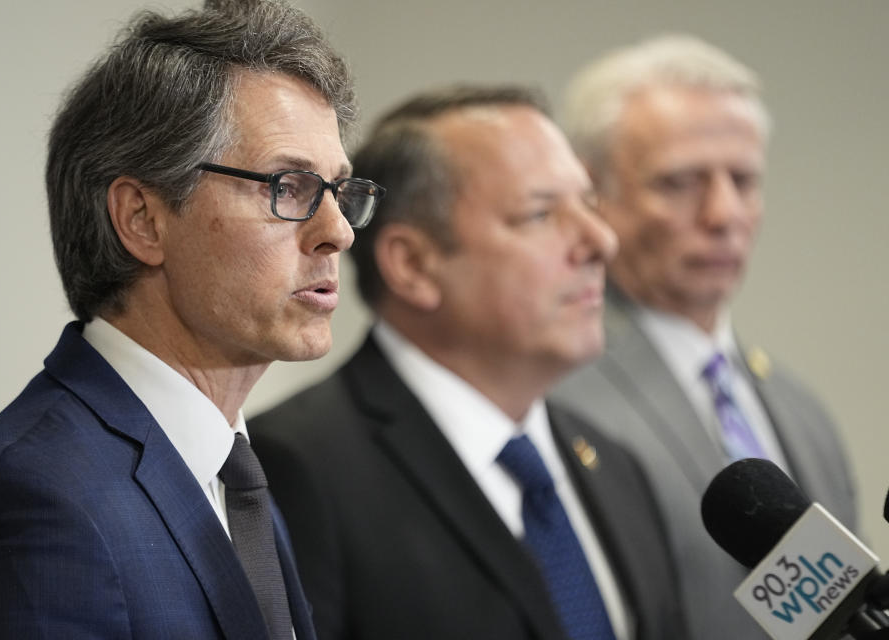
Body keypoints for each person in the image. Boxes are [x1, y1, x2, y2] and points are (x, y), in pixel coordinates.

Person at [0, 1, 385, 638]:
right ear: (142, 219)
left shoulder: (235, 473)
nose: (337, 232)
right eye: (288, 186)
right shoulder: (29, 498)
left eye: (339, 191)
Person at [247, 86, 687, 640]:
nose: (600, 240)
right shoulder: (294, 468)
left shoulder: (617, 467)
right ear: (413, 265)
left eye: (590, 205)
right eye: (541, 213)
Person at [548, 35, 857, 640]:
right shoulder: (554, 397)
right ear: (591, 193)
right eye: (681, 182)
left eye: (743, 180)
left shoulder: (803, 411)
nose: (723, 214)